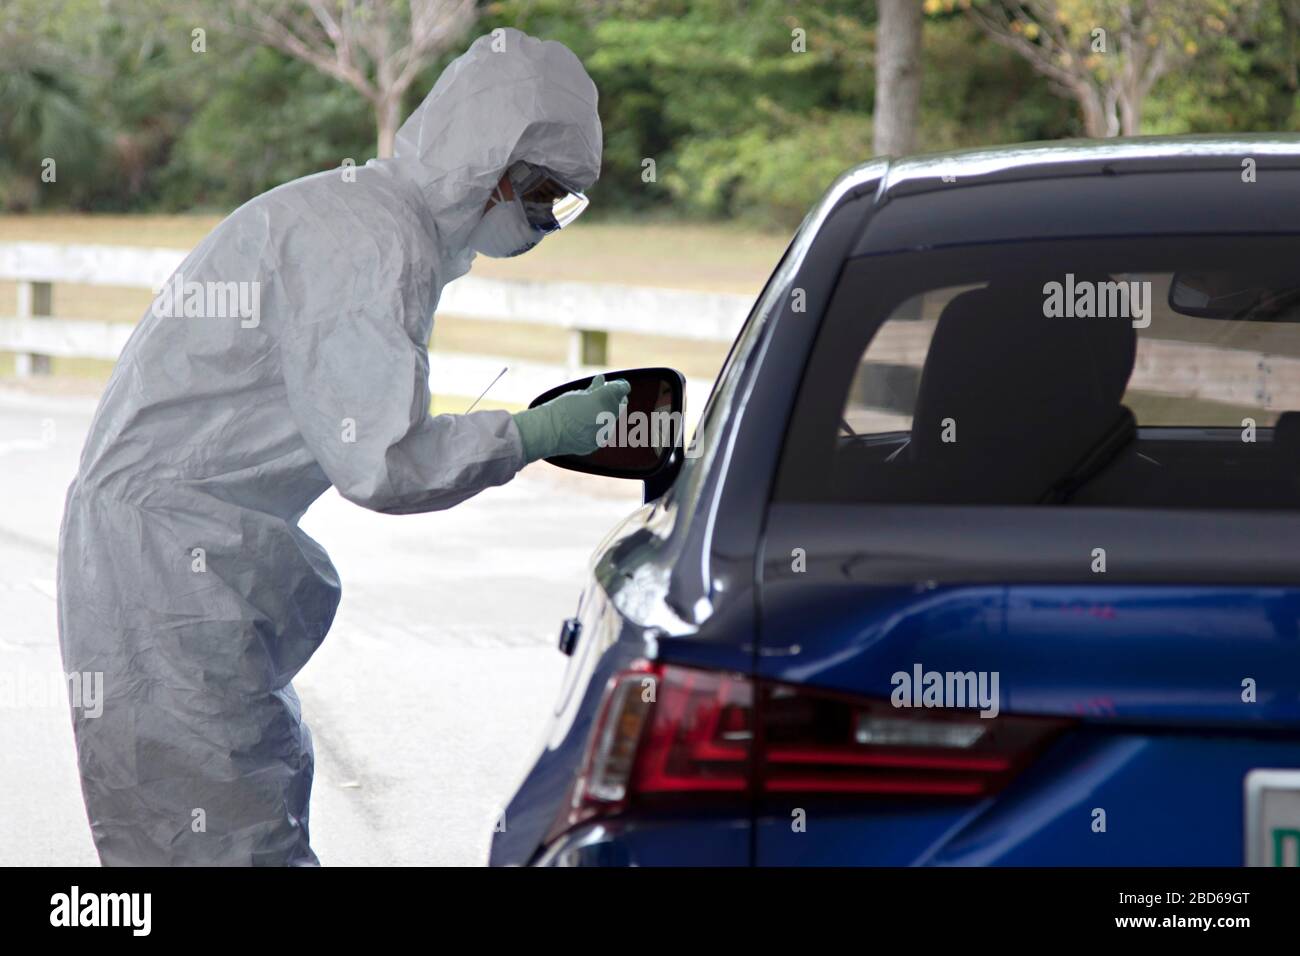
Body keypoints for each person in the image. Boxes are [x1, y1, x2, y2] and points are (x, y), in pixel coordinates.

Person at [57, 27, 627, 866]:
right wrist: (533, 434)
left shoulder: (370, 218)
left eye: (565, 206)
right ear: (490, 166)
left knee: (230, 808)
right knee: (216, 831)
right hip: (164, 562)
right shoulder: (369, 242)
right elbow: (384, 460)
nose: (545, 222)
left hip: (180, 550)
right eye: (546, 196)